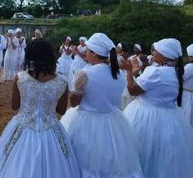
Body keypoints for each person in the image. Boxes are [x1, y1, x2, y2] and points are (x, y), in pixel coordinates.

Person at [0, 39, 80, 178]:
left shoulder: (20, 78)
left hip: (23, 126)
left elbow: (15, 106)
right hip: (50, 128)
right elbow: (61, 111)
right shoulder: (62, 81)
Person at [61, 33, 143, 177]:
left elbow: (74, 103)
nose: (85, 53)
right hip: (113, 122)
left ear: (94, 53)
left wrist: (75, 90)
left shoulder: (84, 74)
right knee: (110, 163)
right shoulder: (118, 74)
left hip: (84, 121)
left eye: (88, 50)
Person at [123, 38, 193, 178]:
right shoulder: (175, 71)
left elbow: (133, 90)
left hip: (145, 115)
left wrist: (129, 71)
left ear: (164, 55)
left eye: (156, 51)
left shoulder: (155, 72)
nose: (152, 52)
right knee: (161, 156)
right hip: (170, 118)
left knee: (142, 151)